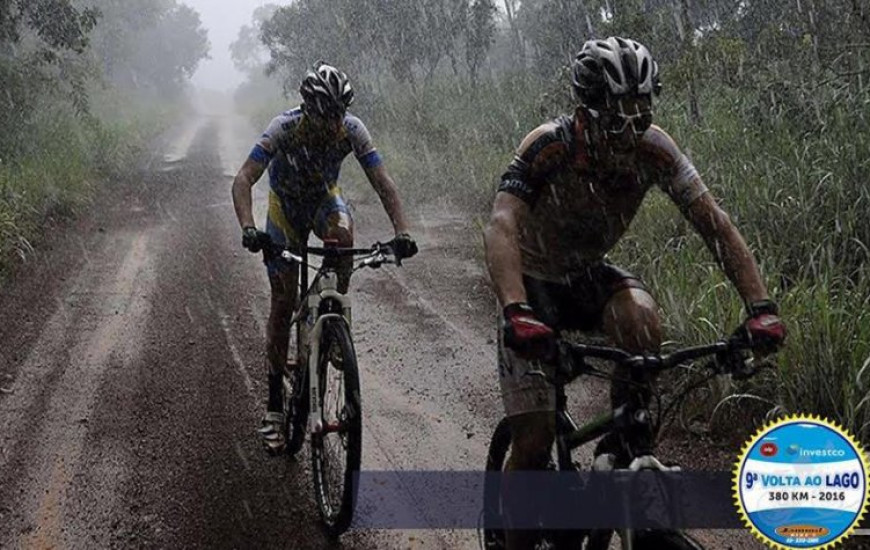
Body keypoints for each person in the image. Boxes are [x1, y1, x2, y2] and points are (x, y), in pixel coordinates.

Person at [483, 37, 786, 548]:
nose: (628, 134)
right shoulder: (549, 145)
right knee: (533, 443)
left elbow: (714, 223)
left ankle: (621, 449)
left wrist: (760, 308)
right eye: (616, 120)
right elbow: (501, 224)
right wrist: (516, 309)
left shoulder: (656, 149)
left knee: (643, 325)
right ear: (585, 111)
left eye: (639, 117)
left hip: (586, 275)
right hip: (532, 283)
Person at [231, 62, 418, 454]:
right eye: (327, 115)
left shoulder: (353, 129)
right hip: (286, 207)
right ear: (309, 109)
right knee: (282, 301)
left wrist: (403, 233)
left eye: (340, 114)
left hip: (321, 201)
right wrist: (249, 227)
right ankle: (274, 408)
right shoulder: (284, 127)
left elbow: (384, 184)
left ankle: (330, 313)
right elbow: (244, 178)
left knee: (344, 235)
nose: (336, 123)